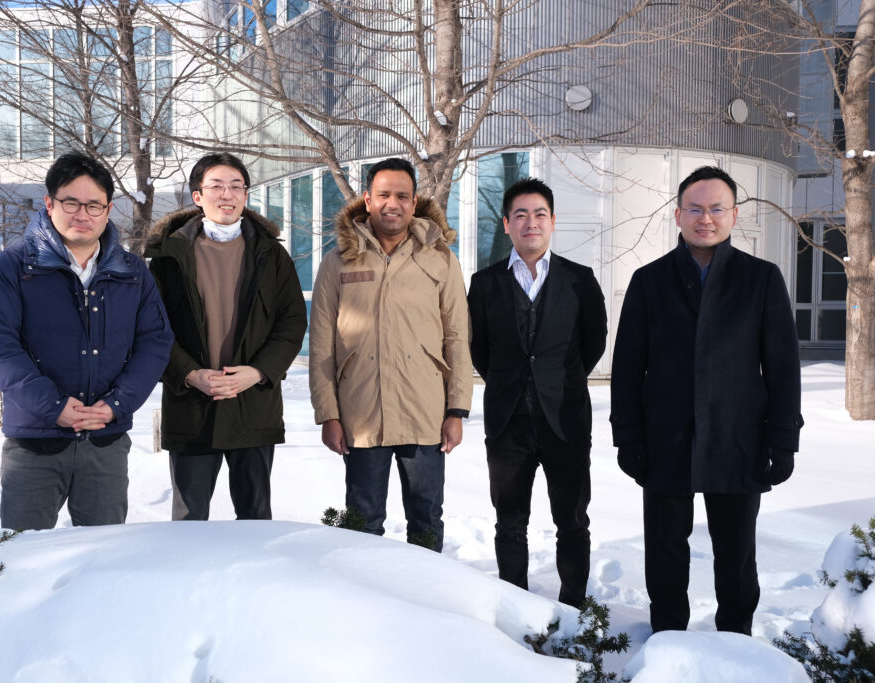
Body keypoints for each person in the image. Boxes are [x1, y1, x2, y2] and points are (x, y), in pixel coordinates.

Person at [610, 165, 803, 635]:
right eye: (695, 208)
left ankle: (735, 641)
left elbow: (781, 367)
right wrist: (628, 435)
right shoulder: (649, 280)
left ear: (734, 215)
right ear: (677, 215)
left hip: (739, 438)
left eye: (717, 208)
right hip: (664, 438)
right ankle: (669, 639)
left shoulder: (761, 279)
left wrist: (783, 440)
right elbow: (628, 368)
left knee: (737, 553)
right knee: (665, 550)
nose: (706, 218)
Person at [0, 151, 173, 531]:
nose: (83, 214)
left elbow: (155, 342)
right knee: (21, 556)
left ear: (108, 209)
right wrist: (52, 405)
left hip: (105, 440)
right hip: (36, 439)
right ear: (49, 203)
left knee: (102, 558)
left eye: (94, 205)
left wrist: (117, 404)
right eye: (71, 202)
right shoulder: (15, 267)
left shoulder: (132, 273)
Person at [309, 157, 472, 552]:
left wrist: (457, 410)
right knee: (362, 520)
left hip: (425, 414)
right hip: (361, 413)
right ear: (367, 199)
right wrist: (328, 414)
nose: (392, 204)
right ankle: (366, 602)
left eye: (402, 195)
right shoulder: (338, 262)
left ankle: (425, 601)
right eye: (383, 195)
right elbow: (321, 345)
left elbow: (456, 337)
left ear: (414, 202)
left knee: (426, 516)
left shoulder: (440, 258)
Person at [468, 178, 607, 607]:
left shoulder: (579, 280)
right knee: (509, 522)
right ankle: (516, 607)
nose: (531, 222)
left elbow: (593, 342)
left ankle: (573, 609)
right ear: (507, 224)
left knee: (572, 521)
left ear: (552, 223)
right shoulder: (485, 282)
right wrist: (513, 381)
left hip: (564, 419)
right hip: (507, 422)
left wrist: (557, 379)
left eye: (540, 214)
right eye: (521, 215)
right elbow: (479, 349)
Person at [145, 152, 306, 521]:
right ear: (197, 196)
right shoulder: (169, 256)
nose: (227, 194)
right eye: (216, 186)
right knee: (189, 520)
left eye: (236, 186)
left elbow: (291, 322)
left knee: (255, 517)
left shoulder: (271, 254)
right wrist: (189, 373)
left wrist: (259, 372)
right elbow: (152, 329)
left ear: (246, 196)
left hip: (252, 404)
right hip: (191, 405)